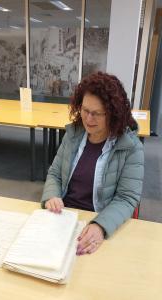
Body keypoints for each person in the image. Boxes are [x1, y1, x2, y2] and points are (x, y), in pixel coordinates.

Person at [41, 72, 144, 255]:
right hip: (64, 217)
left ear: (113, 114)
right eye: (85, 110)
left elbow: (127, 198)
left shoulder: (131, 147)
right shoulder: (74, 134)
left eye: (97, 114)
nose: (88, 119)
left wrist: (100, 225)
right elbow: (55, 173)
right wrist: (51, 196)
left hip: (99, 220)